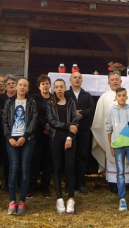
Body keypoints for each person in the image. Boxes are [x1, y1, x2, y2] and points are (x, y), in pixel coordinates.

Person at [92, 72, 129, 192]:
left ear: (121, 81)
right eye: (112, 80)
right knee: (114, 157)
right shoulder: (104, 97)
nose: (115, 81)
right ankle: (114, 182)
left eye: (117, 79)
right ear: (108, 83)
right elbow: (100, 120)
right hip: (113, 136)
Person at [2, 78, 38, 216]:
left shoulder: (31, 102)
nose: (22, 87)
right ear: (16, 87)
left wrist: (25, 135)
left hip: (27, 139)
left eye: (25, 86)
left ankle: (22, 201)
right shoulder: (9, 102)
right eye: (20, 85)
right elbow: (4, 120)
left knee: (24, 168)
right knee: (13, 168)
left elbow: (34, 120)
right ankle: (12, 201)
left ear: (28, 89)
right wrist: (9, 137)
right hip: (11, 139)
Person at [46, 79, 79, 214]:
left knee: (69, 167)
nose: (59, 89)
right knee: (57, 167)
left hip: (70, 138)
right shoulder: (50, 104)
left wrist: (70, 136)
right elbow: (52, 121)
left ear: (65, 88)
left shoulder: (71, 102)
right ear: (54, 89)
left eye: (61, 86)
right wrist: (66, 126)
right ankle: (59, 198)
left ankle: (71, 198)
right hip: (55, 137)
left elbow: (75, 121)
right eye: (57, 87)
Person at [64, 72, 94, 194]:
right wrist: (73, 113)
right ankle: (69, 183)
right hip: (69, 130)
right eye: (75, 78)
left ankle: (80, 183)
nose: (77, 79)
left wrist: (81, 114)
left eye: (79, 78)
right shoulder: (66, 94)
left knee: (82, 156)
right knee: (69, 157)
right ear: (70, 80)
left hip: (83, 130)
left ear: (82, 80)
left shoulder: (86, 95)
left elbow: (92, 109)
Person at [28, 74, 53, 198]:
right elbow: (35, 113)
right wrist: (45, 125)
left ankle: (45, 187)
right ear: (39, 86)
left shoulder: (54, 98)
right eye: (42, 84)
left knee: (48, 160)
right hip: (37, 132)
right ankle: (32, 186)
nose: (45, 85)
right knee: (35, 159)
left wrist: (50, 126)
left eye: (47, 83)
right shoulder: (34, 98)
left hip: (52, 134)